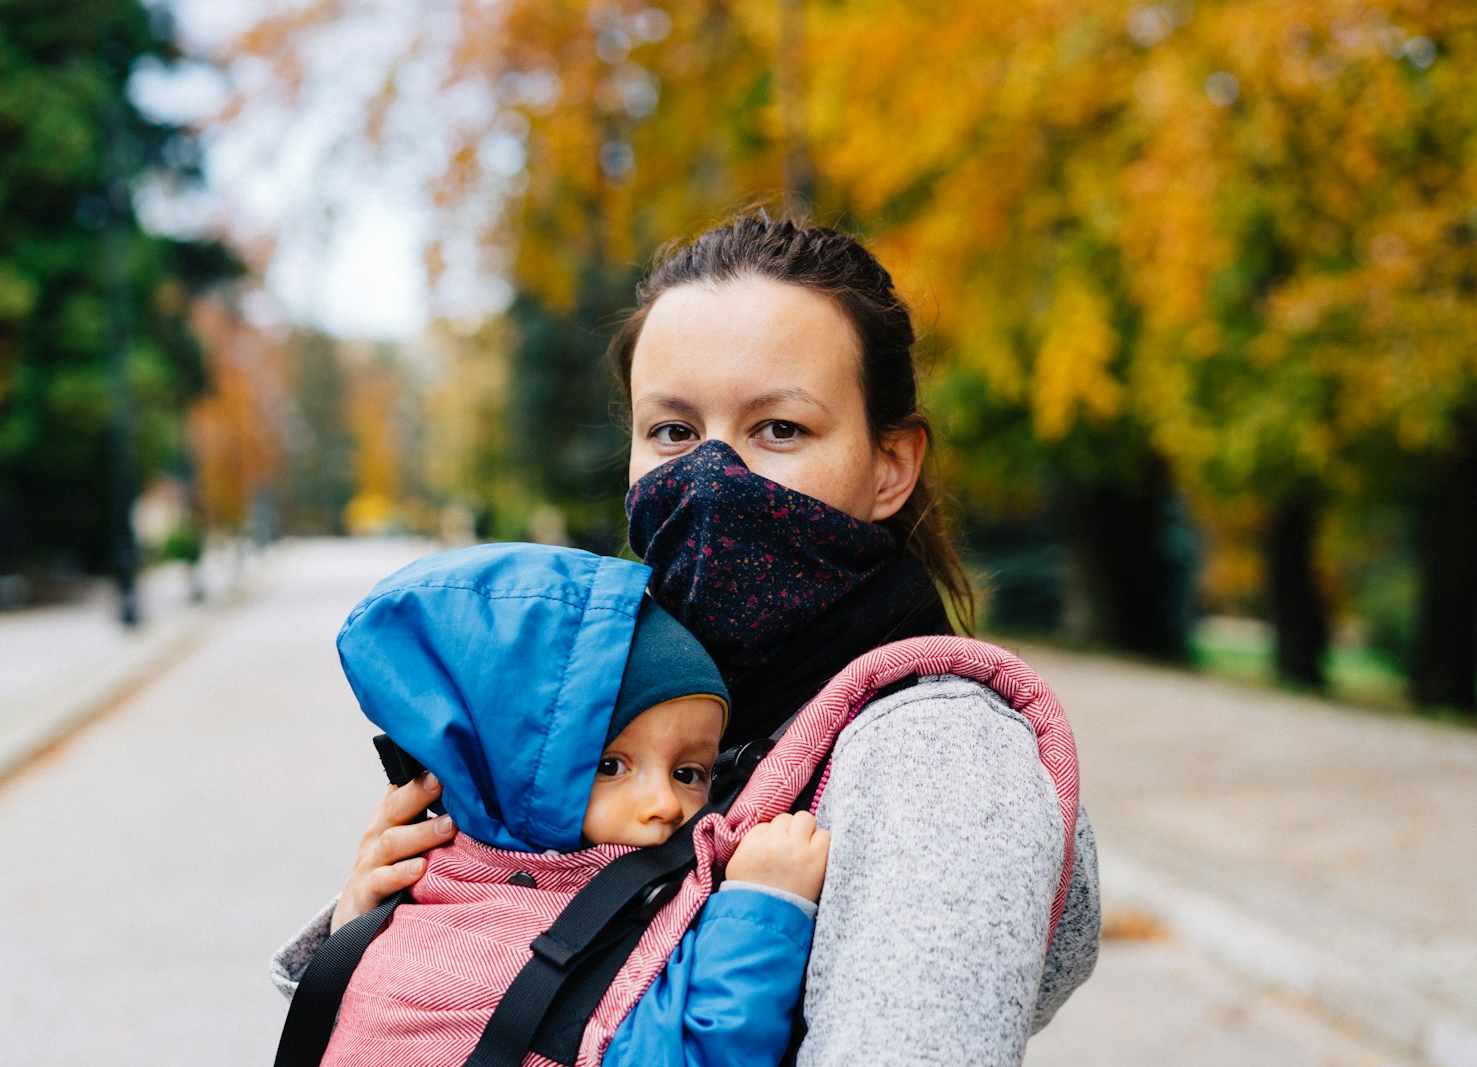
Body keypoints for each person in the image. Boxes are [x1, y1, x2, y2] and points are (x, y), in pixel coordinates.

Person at [274, 214, 1101, 1064]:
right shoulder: (625, 696)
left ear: (891, 464)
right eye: (673, 431)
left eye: (779, 428)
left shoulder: (938, 757)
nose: (710, 478)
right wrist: (391, 925)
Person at [311, 542, 830, 1066]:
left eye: (688, 773)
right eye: (610, 766)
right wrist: (763, 908)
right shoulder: (450, 942)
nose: (665, 804)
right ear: (507, 772)